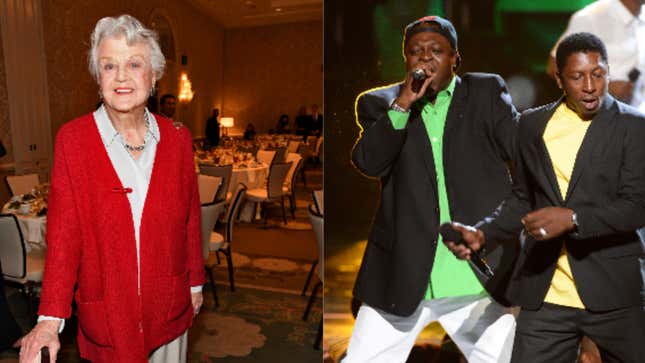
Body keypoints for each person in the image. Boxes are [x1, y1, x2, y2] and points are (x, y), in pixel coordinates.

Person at [447, 32, 645, 363]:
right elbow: (523, 198)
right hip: (547, 294)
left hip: (615, 295)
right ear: (558, 78)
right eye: (577, 76)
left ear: (609, 72)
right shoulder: (532, 125)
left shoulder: (634, 126)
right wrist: (484, 234)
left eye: (598, 74)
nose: (590, 86)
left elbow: (638, 205)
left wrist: (573, 219)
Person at [17, 15, 204, 362]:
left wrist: (194, 283)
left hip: (170, 307)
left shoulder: (178, 138)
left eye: (134, 64)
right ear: (98, 76)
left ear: (153, 76)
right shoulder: (73, 141)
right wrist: (49, 318)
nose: (121, 76)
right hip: (108, 317)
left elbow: (190, 217)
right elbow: (63, 238)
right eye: (109, 65)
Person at [346, 15, 520, 362]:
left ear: (456, 57)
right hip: (403, 273)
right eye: (415, 51)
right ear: (406, 60)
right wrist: (404, 104)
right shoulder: (381, 104)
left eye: (436, 50)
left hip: (476, 276)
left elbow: (521, 150)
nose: (425, 57)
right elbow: (369, 162)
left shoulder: (485, 92)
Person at [546, 0, 645, 110]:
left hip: (636, 118)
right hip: (598, 120)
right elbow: (554, 66)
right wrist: (604, 88)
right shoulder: (591, 17)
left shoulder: (642, 15)